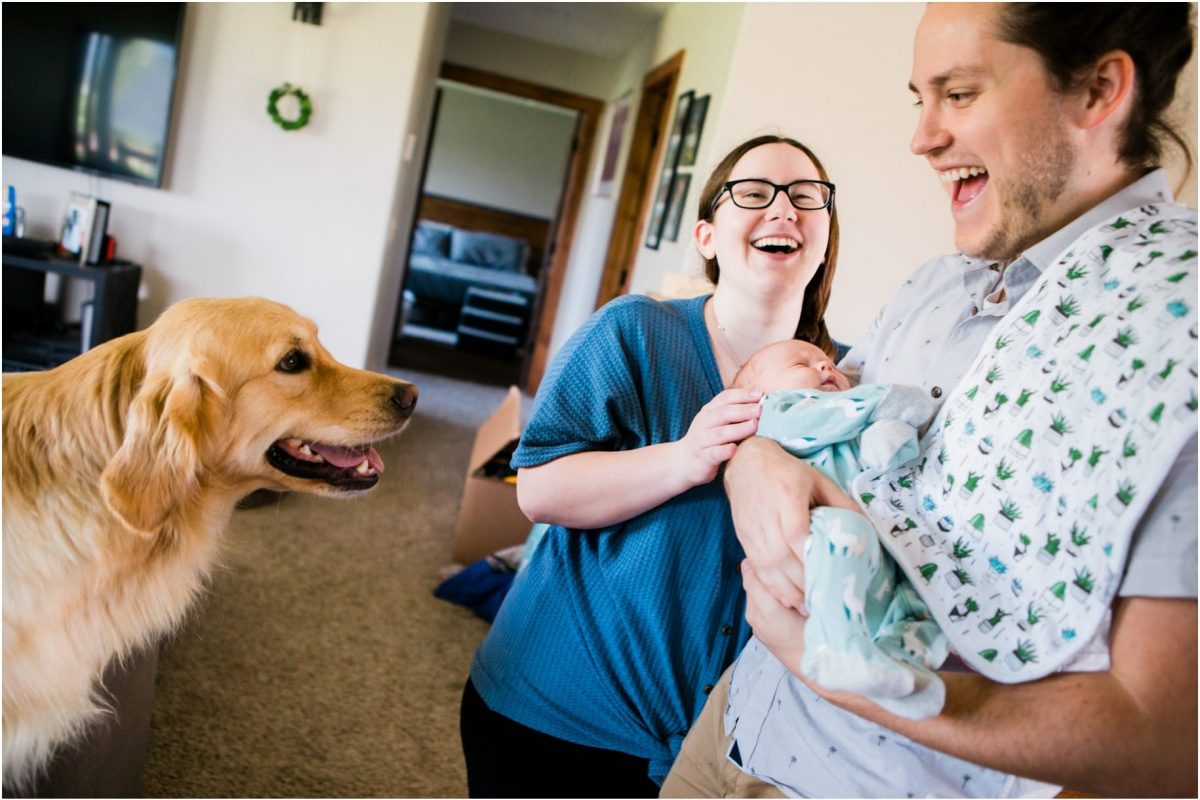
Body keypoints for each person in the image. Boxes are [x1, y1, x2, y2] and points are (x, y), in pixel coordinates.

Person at [662, 4, 1197, 798]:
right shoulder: (934, 285)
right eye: (921, 97)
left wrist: (867, 682)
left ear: (1097, 91)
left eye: (959, 93)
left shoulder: (1171, 336)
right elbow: (806, 422)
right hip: (738, 724)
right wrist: (755, 463)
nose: (922, 136)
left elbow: (1168, 738)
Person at [460, 134, 843, 797]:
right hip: (555, 713)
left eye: (806, 197)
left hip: (713, 749)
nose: (784, 210)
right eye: (753, 194)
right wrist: (685, 458)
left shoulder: (843, 382)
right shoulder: (635, 330)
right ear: (706, 235)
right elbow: (538, 489)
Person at [732, 339, 949, 719]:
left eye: (828, 362)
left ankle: (899, 672)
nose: (825, 367)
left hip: (877, 548)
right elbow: (826, 418)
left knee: (917, 600)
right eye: (802, 363)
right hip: (820, 530)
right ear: (758, 396)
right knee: (847, 531)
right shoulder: (778, 414)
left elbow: (873, 455)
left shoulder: (842, 424)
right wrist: (882, 403)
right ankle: (834, 647)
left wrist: (886, 440)